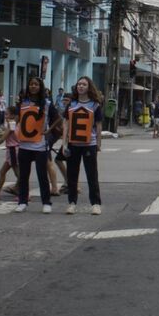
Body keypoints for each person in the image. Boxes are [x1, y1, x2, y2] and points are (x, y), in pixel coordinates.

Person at [14, 75, 62, 214]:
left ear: (40, 87)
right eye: (31, 84)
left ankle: (46, 202)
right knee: (23, 175)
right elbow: (17, 118)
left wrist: (49, 130)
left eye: (36, 84)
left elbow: (58, 118)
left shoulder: (46, 103)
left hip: (39, 145)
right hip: (24, 144)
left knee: (42, 175)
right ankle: (22, 201)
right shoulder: (23, 102)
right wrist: (13, 124)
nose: (33, 86)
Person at [62, 76, 103, 215]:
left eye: (84, 84)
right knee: (72, 175)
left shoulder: (95, 105)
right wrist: (64, 143)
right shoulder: (71, 104)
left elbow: (98, 125)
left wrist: (98, 143)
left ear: (89, 87)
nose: (80, 86)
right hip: (73, 144)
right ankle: (72, 202)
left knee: (92, 175)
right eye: (79, 84)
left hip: (89, 144)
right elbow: (66, 124)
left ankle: (96, 203)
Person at [0, 106, 19, 199]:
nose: (5, 115)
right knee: (2, 171)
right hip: (11, 150)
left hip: (13, 150)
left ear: (12, 115)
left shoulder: (12, 124)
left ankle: (25, 193)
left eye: (7, 114)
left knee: (18, 173)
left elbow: (3, 138)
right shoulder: (13, 123)